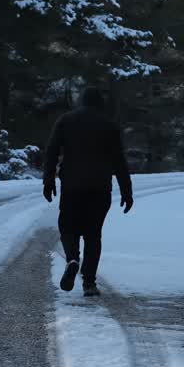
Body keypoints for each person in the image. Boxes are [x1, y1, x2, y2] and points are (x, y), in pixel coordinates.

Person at [42, 87, 134, 297]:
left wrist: (48, 180)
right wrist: (127, 191)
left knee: (68, 226)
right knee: (93, 234)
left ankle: (73, 258)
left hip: (72, 185)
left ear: (82, 102)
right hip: (100, 187)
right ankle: (89, 284)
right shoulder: (109, 126)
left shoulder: (66, 120)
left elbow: (52, 150)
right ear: (101, 103)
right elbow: (119, 161)